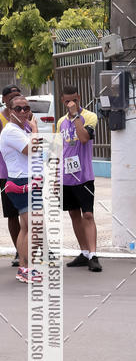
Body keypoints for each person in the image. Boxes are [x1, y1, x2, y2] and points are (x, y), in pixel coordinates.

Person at [57, 85, 102, 272]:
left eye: (73, 100)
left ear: (79, 97)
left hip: (84, 177)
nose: (70, 103)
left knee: (88, 215)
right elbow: (60, 150)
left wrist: (76, 117)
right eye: (67, 101)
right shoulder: (60, 122)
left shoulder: (89, 117)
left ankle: (93, 254)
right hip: (66, 177)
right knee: (74, 214)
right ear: (62, 101)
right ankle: (84, 253)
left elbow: (84, 138)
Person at [0, 96, 38, 283]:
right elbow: (31, 149)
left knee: (27, 226)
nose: (23, 112)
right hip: (22, 181)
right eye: (19, 108)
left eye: (26, 108)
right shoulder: (12, 131)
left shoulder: (21, 129)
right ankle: (26, 268)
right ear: (10, 111)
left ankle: (24, 267)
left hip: (26, 179)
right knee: (34, 226)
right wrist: (36, 129)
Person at [0, 85, 28, 266]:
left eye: (19, 96)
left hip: (27, 174)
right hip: (8, 175)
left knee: (29, 217)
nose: (20, 108)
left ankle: (32, 251)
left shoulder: (27, 119)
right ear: (5, 100)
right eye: (13, 98)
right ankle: (20, 253)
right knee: (13, 215)